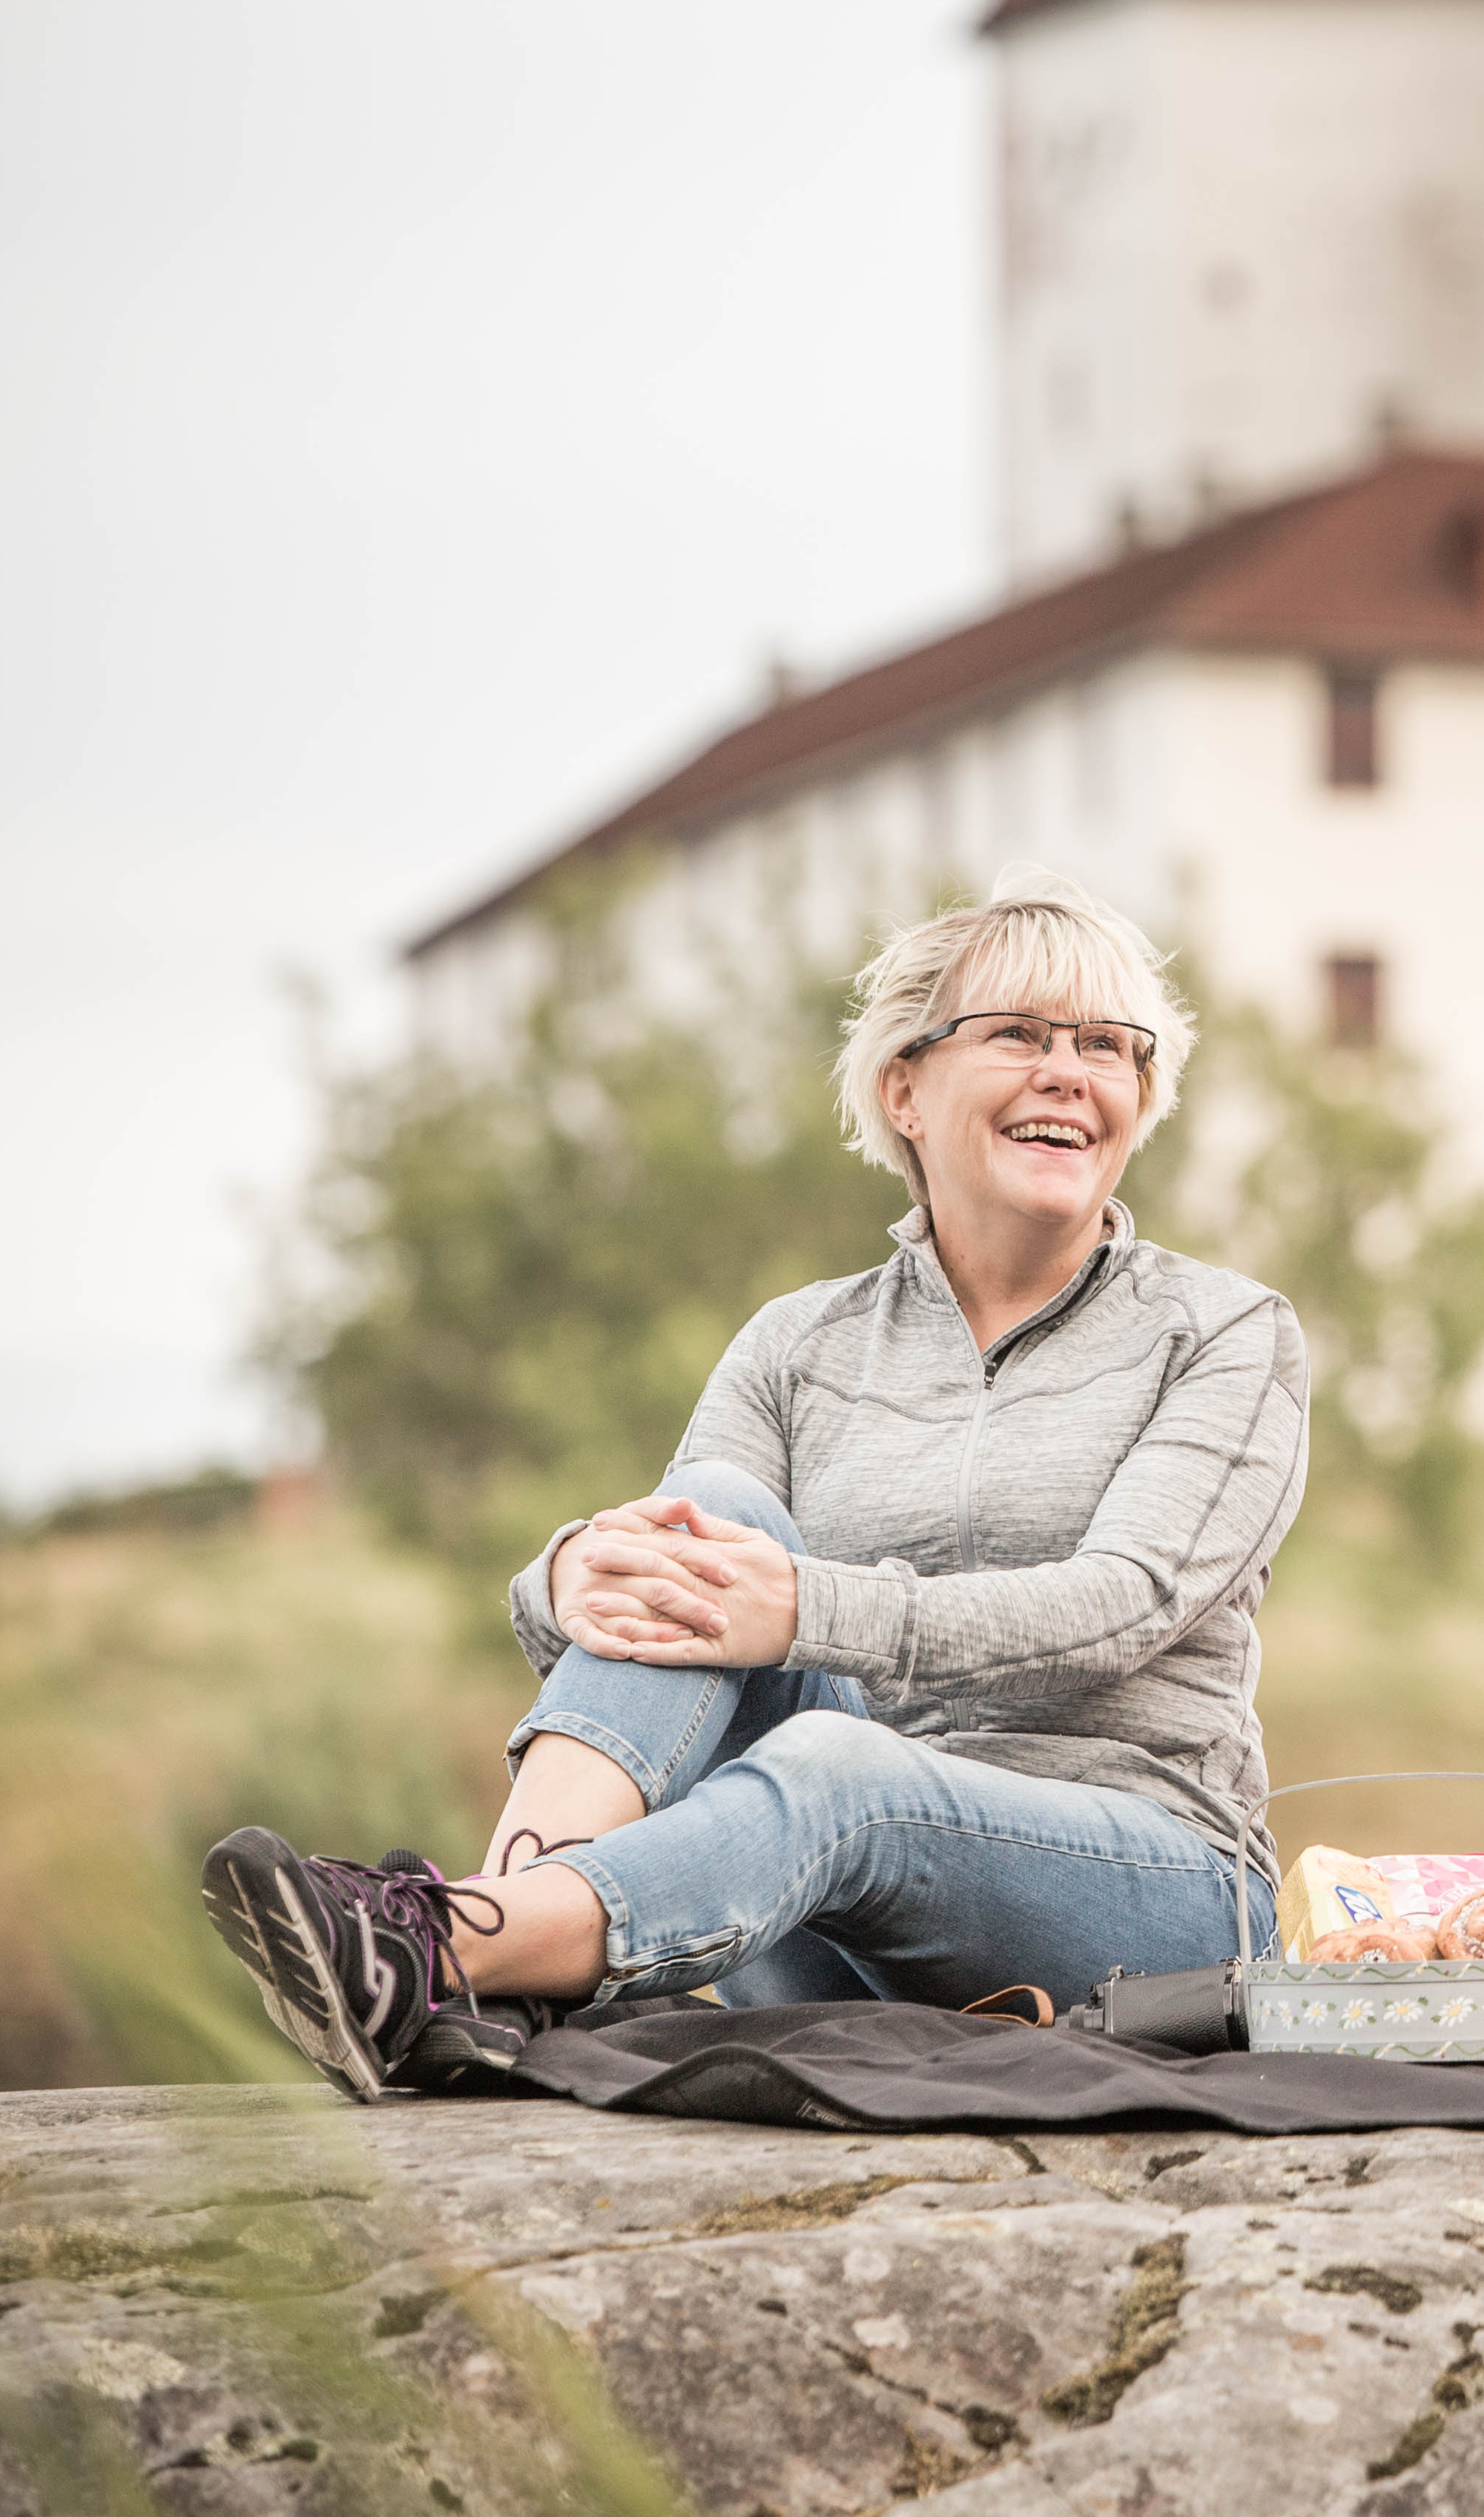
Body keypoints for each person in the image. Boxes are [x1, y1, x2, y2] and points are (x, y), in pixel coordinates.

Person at [200, 872, 1310, 2100]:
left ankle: (452, 1947)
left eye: (1111, 1047)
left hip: (1155, 1898)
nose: (1071, 1072)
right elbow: (674, 1606)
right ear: (906, 1086)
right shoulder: (799, 1345)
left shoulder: (1226, 1332)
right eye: (1021, 1035)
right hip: (829, 1917)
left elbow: (1128, 1603)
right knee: (703, 1528)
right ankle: (504, 1970)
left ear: (1139, 1102)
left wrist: (807, 1611)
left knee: (842, 1759)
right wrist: (563, 1570)